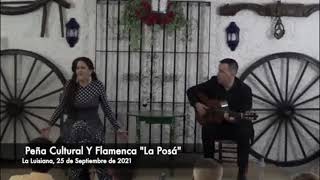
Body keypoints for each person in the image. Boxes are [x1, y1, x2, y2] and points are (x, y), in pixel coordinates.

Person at [41, 57, 127, 180]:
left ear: (90, 70)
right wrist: (49, 124)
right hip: (73, 126)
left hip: (93, 126)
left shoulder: (98, 86)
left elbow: (107, 109)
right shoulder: (70, 86)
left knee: (98, 155)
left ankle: (103, 175)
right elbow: (61, 107)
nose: (79, 70)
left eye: (83, 68)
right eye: (77, 68)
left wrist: (118, 127)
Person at [187, 58, 253, 180]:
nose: (218, 74)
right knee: (207, 130)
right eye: (219, 70)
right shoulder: (214, 82)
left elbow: (245, 114)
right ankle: (209, 169)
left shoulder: (245, 90)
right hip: (218, 125)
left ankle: (242, 173)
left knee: (244, 132)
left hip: (236, 127)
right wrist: (197, 104)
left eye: (222, 71)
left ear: (232, 74)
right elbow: (191, 91)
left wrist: (234, 118)